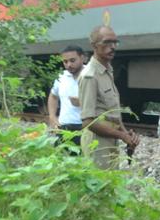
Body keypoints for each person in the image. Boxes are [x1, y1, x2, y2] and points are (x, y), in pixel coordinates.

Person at [78, 25, 140, 168]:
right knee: (100, 186)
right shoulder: (90, 76)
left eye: (115, 42)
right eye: (107, 42)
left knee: (110, 184)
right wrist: (121, 136)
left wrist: (126, 134)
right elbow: (88, 121)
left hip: (109, 140)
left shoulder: (107, 71)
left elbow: (112, 113)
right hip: (97, 142)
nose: (112, 47)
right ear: (94, 46)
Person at [47, 45, 86, 147]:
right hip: (63, 128)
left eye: (73, 60)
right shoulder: (62, 76)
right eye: (65, 61)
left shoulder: (91, 76)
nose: (69, 64)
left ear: (82, 58)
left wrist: (83, 102)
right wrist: (52, 116)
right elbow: (53, 96)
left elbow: (105, 102)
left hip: (86, 128)